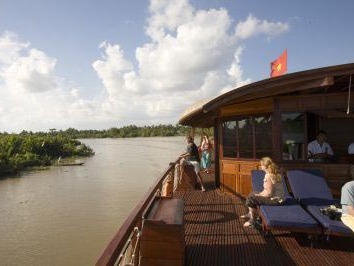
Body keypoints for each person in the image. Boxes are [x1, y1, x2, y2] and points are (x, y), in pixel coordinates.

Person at [241, 157, 285, 227]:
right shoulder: (274, 173)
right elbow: (268, 191)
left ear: (265, 166)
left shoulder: (269, 176)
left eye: (261, 165)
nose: (261, 166)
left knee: (251, 198)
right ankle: (250, 213)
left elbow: (269, 193)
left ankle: (253, 220)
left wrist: (259, 195)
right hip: (278, 198)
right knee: (252, 193)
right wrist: (259, 194)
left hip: (276, 200)